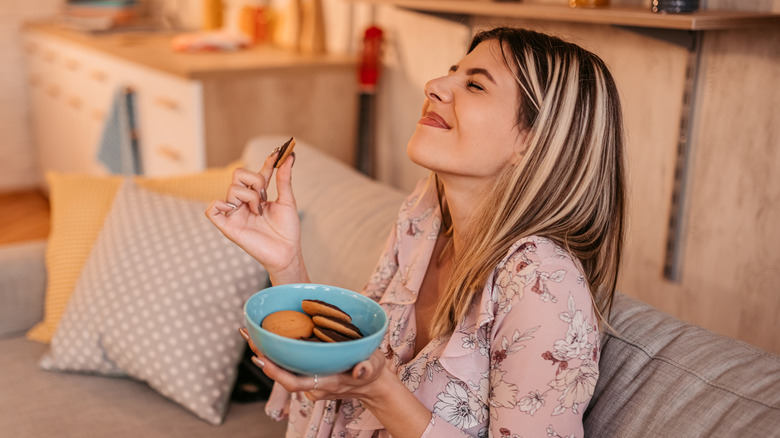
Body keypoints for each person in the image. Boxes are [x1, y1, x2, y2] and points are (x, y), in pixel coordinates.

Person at [207, 26, 626, 438]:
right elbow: (343, 363)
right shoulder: (424, 215)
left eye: (475, 86)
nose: (434, 85)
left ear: (533, 142)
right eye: (452, 71)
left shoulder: (544, 284)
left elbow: (365, 382)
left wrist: (379, 391)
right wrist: (285, 261)